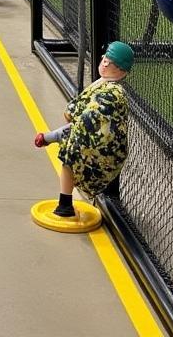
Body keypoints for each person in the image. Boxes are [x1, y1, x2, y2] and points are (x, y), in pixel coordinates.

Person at [33, 42, 133, 218]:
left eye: (110, 62)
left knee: (68, 157)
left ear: (120, 69)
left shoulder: (110, 93)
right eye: (105, 60)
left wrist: (53, 136)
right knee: (74, 144)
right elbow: (77, 125)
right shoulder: (107, 86)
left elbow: (76, 121)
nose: (105, 64)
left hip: (101, 157)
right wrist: (49, 137)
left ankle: (65, 206)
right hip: (106, 152)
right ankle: (67, 201)